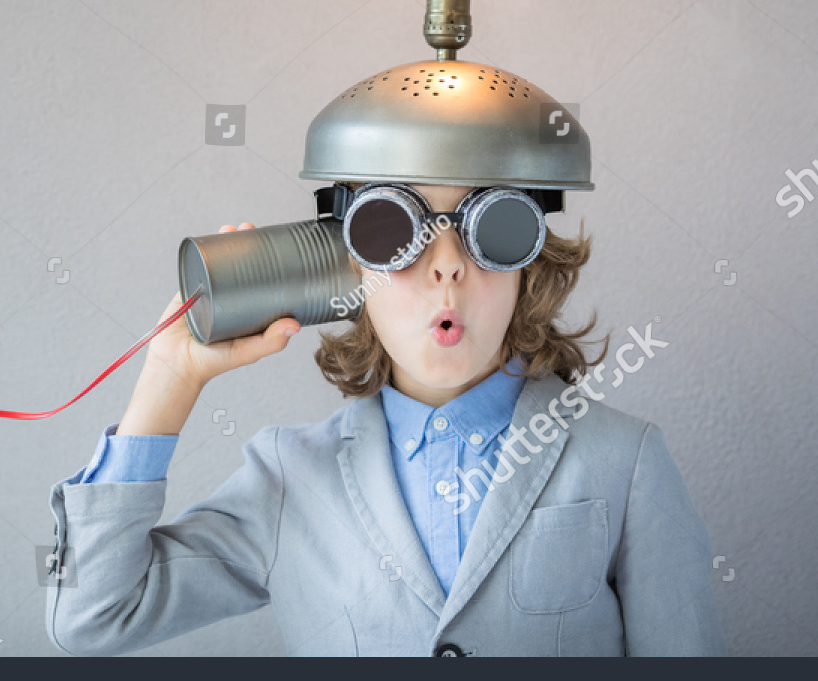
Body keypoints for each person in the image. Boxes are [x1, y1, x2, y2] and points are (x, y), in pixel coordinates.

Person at [43, 182, 726, 656]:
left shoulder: (624, 459)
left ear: (529, 265)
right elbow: (90, 615)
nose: (449, 266)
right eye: (397, 232)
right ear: (349, 270)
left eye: (490, 229)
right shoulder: (290, 479)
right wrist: (170, 378)